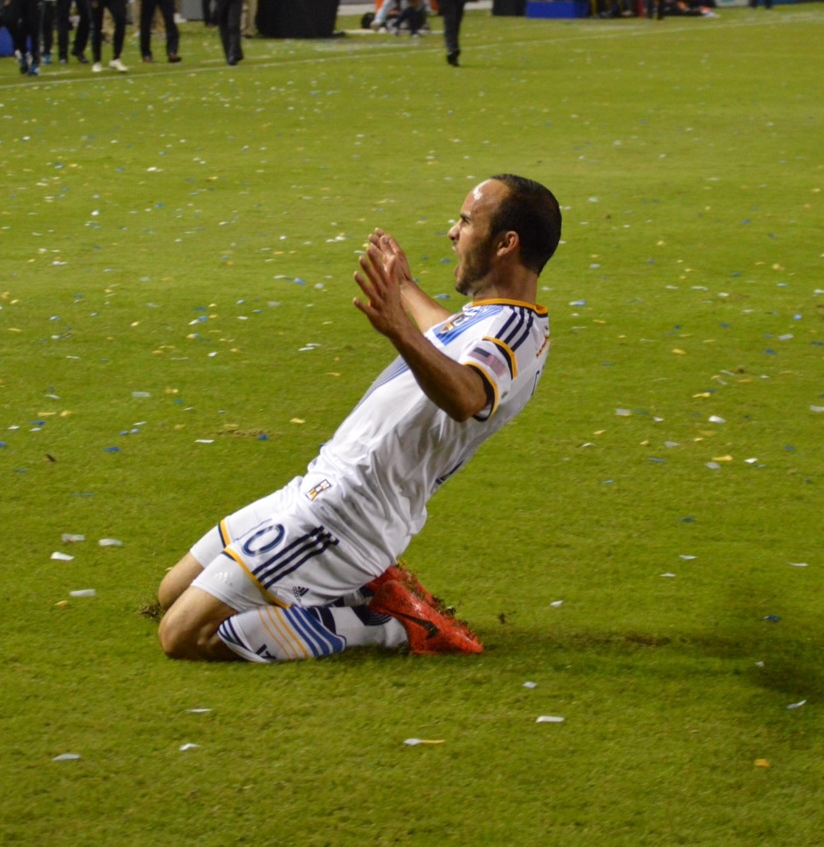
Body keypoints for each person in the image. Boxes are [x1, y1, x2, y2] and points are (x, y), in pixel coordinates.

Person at [154, 174, 562, 663]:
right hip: (319, 485)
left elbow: (467, 395)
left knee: (184, 635)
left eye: (466, 221)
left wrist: (397, 330)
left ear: (506, 244)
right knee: (170, 595)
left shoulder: (514, 328)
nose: (452, 232)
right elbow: (446, 335)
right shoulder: (494, 317)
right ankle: (360, 591)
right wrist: (404, 286)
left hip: (348, 513)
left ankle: (389, 625)